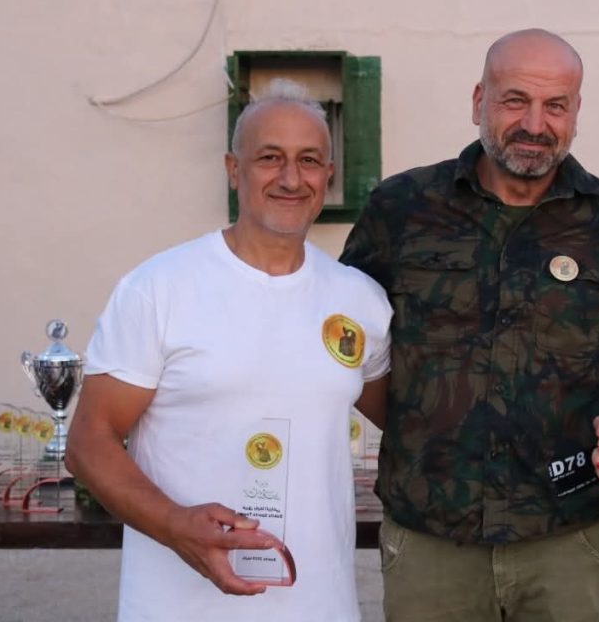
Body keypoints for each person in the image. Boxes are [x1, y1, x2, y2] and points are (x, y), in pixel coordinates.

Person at [339, 29, 599, 622]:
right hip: (430, 536)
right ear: (479, 101)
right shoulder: (402, 208)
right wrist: (425, 425)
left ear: (576, 112)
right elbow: (349, 342)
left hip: (566, 537)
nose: (535, 124)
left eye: (555, 105)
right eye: (515, 100)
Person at [65, 79, 392, 621]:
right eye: (270, 157)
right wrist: (176, 527)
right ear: (233, 169)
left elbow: (413, 423)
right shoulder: (159, 289)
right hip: (176, 608)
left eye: (309, 160)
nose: (291, 178)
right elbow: (88, 444)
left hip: (319, 605)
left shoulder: (360, 300)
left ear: (328, 175)